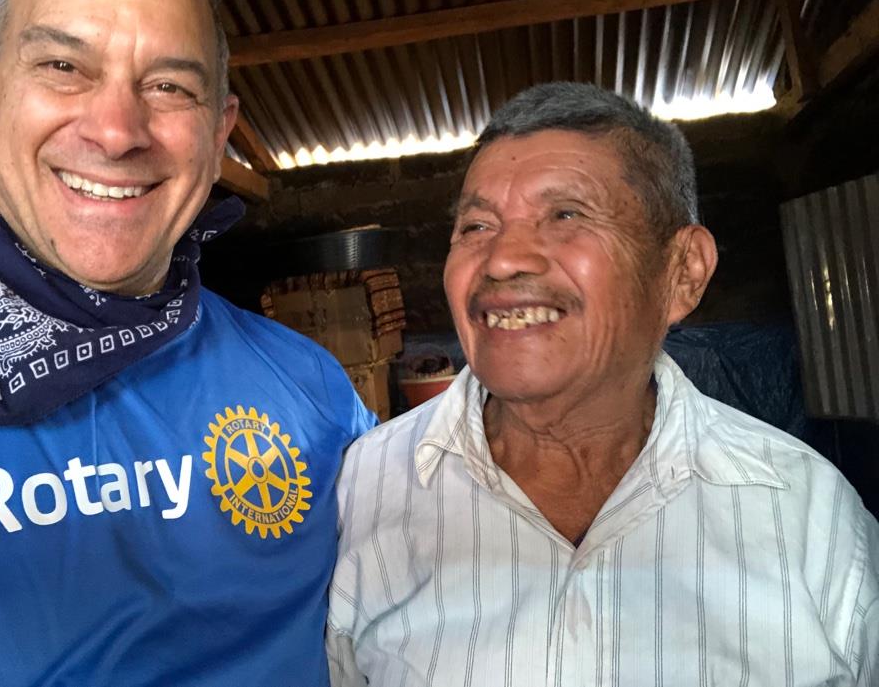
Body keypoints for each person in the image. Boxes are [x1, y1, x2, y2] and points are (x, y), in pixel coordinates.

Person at [0, 0, 374, 685]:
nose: (116, 131)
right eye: (63, 65)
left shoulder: (316, 394)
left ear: (218, 135)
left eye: (169, 86)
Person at [327, 82, 879, 686]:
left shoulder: (806, 512)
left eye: (565, 215)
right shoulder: (361, 492)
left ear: (683, 272)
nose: (503, 259)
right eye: (477, 226)